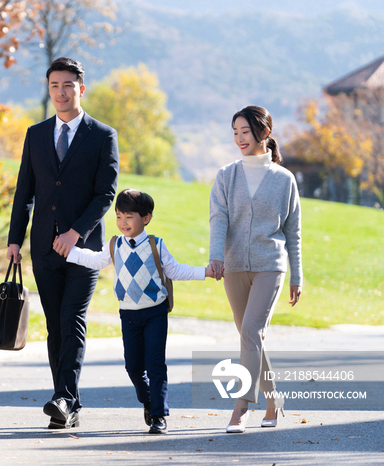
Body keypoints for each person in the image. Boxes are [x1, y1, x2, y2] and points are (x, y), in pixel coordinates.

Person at [6, 57, 119, 429]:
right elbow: (25, 191)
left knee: (72, 319)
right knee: (56, 324)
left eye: (68, 85)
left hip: (83, 251)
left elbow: (106, 193)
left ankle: (64, 399)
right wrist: (14, 241)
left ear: (80, 88)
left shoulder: (103, 135)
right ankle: (66, 400)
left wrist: (76, 233)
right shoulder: (35, 134)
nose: (61, 92)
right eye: (54, 86)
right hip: (42, 248)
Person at [61, 188, 214, 434]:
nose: (123, 222)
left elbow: (175, 271)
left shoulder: (156, 244)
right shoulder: (114, 244)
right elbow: (97, 261)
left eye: (129, 216)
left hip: (155, 313)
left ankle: (159, 416)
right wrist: (71, 251)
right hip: (128, 315)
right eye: (119, 216)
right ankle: (149, 401)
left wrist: (204, 272)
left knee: (155, 365)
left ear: (146, 218)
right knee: (133, 367)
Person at [209, 105, 303, 433]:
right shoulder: (226, 175)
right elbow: (218, 218)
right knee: (250, 336)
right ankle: (274, 399)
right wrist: (216, 257)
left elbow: (293, 231)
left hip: (270, 266)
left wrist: (297, 276)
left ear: (264, 133)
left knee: (250, 330)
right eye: (235, 133)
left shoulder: (284, 180)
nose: (239, 139)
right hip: (234, 266)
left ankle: (242, 404)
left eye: (245, 132)